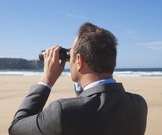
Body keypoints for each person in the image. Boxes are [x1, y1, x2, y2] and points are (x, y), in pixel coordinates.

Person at [8, 22, 148, 135]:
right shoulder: (139, 104)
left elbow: (16, 128)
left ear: (79, 61)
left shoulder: (62, 112)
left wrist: (47, 80)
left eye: (71, 54)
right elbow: (93, 106)